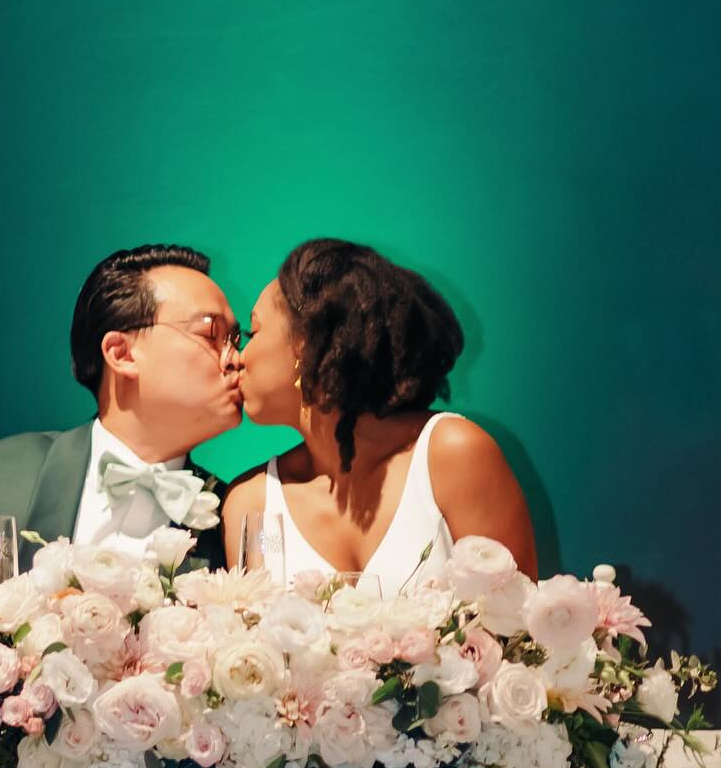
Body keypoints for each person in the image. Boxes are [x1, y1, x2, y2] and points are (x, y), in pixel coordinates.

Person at [0, 243, 243, 587]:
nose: (235, 359)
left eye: (237, 340)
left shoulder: (236, 516)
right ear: (121, 353)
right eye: (211, 334)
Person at [224, 237, 537, 584]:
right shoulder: (253, 504)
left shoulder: (453, 455)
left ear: (306, 343)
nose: (237, 358)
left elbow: (518, 629)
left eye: (252, 333)